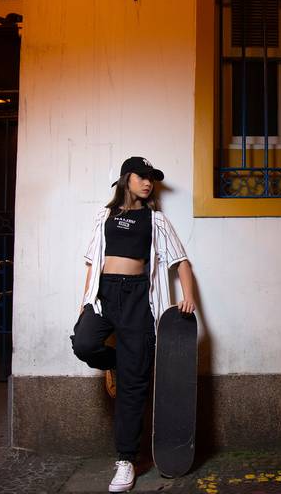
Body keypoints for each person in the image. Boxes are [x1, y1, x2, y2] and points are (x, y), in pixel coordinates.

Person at [70, 156, 196, 492]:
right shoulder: (104, 216)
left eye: (152, 178)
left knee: (133, 384)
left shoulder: (156, 220)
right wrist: (84, 302)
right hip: (104, 294)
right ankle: (115, 364)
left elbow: (181, 261)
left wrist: (188, 297)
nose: (148, 183)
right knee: (84, 343)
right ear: (127, 178)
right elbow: (92, 263)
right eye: (142, 176)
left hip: (139, 299)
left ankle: (125, 460)